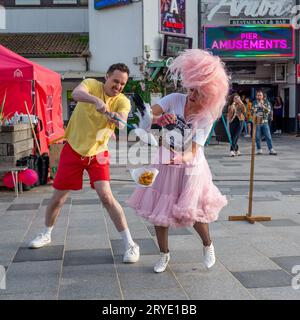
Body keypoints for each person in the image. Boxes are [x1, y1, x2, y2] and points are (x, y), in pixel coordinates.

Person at [127, 49, 229, 273]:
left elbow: (193, 150)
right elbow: (147, 119)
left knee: (194, 212)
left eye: (199, 93)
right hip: (164, 160)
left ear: (210, 95)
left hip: (191, 166)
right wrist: (155, 118)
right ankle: (164, 254)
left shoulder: (206, 116)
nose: (192, 96)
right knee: (158, 210)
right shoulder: (174, 99)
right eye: (192, 89)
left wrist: (178, 157)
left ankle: (207, 244)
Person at [29, 63, 140, 263]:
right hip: (72, 149)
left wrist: (115, 119)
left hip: (98, 153)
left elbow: (122, 119)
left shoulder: (122, 101)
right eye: (115, 81)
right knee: (58, 198)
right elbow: (76, 94)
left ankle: (130, 244)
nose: (118, 86)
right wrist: (95, 101)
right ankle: (46, 233)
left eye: (122, 84)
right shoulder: (90, 84)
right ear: (106, 77)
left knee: (106, 196)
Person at [252, 89, 277, 155]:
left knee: (268, 136)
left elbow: (268, 111)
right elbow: (252, 111)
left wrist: (263, 107)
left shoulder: (266, 102)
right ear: (256, 96)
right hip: (257, 122)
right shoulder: (254, 102)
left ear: (262, 96)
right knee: (257, 136)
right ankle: (259, 149)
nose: (259, 96)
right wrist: (256, 109)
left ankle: (271, 149)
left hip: (265, 122)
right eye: (258, 95)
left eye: (260, 95)